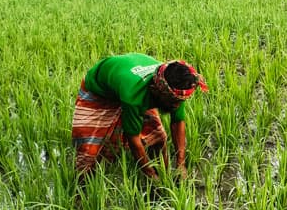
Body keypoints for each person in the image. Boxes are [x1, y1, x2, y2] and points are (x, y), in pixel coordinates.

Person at [72, 53, 208, 180]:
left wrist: (181, 164)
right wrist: (150, 175)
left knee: (158, 137)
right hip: (99, 90)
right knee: (88, 151)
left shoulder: (176, 88)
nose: (177, 106)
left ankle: (163, 172)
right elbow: (134, 140)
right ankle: (80, 188)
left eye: (179, 102)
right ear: (156, 91)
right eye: (174, 102)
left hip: (126, 81)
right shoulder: (134, 95)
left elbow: (178, 123)